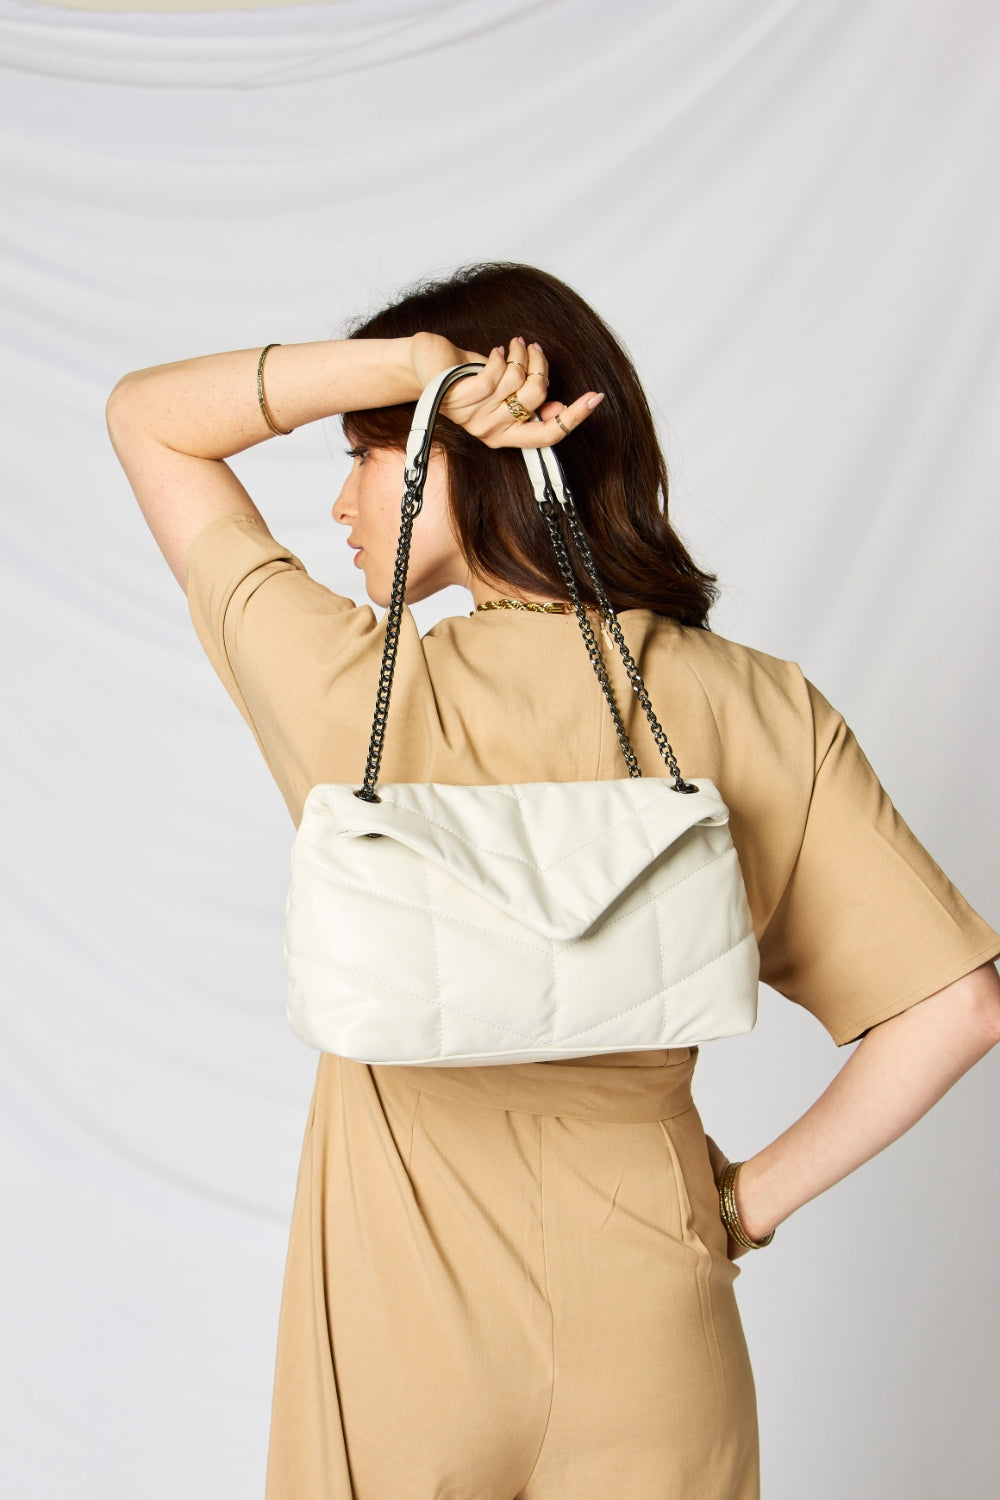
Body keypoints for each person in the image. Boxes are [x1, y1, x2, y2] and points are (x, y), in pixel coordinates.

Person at [107, 262, 1000, 1500]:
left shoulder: (350, 695)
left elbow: (147, 418)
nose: (343, 504)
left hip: (399, 1326)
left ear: (454, 458)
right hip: (651, 1320)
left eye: (369, 459)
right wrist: (741, 1211)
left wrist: (407, 376)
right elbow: (956, 1006)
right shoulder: (756, 705)